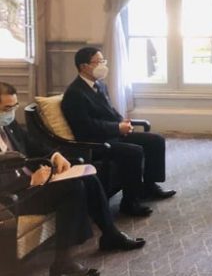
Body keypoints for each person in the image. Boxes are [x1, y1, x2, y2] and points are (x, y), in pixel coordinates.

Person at [1, 83, 144, 276]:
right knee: (73, 188)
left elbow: (31, 144)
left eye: (15, 106)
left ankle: (110, 234)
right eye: (7, 108)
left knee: (87, 177)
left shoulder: (8, 125)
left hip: (31, 183)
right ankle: (63, 262)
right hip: (12, 197)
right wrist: (30, 181)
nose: (11, 113)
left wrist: (54, 155)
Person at [61, 47, 175, 217]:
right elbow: (86, 126)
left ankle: (149, 187)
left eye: (103, 61)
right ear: (84, 66)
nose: (103, 65)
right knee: (134, 152)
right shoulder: (74, 93)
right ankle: (129, 203)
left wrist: (122, 122)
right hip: (95, 142)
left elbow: (110, 111)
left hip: (111, 134)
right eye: (98, 62)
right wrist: (116, 128)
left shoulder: (100, 85)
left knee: (155, 140)